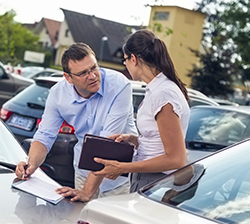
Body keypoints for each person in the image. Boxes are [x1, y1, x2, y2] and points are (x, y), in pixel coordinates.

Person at [15, 42, 138, 202]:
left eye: (94, 68)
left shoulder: (119, 85)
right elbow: (44, 136)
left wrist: (87, 192)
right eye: (83, 73)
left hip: (119, 179)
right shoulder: (58, 94)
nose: (93, 76)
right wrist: (30, 166)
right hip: (84, 172)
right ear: (68, 77)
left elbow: (107, 144)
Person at [93, 29, 191, 192]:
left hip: (155, 181)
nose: (125, 64)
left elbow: (176, 159)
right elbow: (159, 142)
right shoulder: (158, 88)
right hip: (151, 178)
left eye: (125, 60)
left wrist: (122, 167)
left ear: (134, 59)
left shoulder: (163, 93)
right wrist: (134, 139)